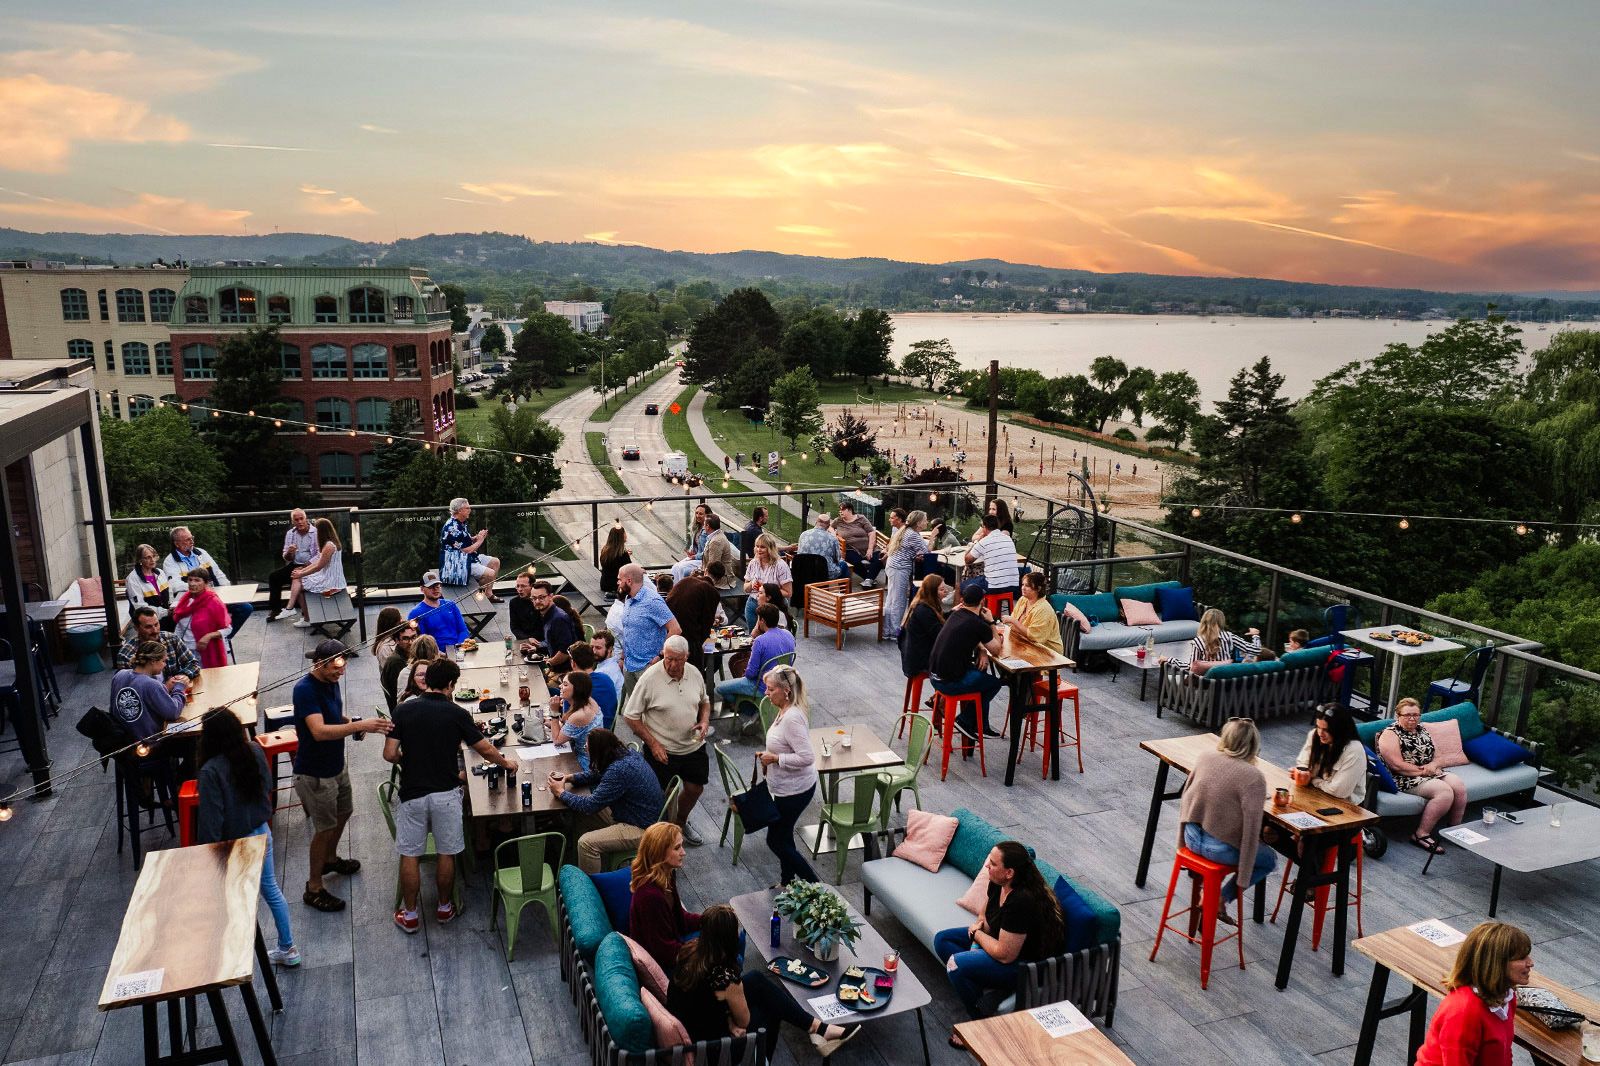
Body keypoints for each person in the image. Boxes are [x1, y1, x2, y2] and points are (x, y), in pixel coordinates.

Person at [384, 658, 516, 932]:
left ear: (426, 680)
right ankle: (444, 908)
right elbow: (485, 750)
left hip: (413, 794)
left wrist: (409, 758)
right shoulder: (457, 714)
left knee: (410, 854)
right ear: (451, 685)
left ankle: (409, 915)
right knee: (446, 852)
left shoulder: (403, 711)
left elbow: (389, 754)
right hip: (446, 793)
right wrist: (508, 764)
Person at [668, 904, 858, 1059]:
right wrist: (730, 1022)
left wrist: (726, 1017)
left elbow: (702, 1002)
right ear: (728, 939)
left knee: (757, 980)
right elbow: (744, 1021)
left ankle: (816, 1028)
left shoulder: (689, 951)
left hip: (697, 1026)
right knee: (772, 1008)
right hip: (713, 1049)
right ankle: (766, 1058)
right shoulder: (725, 978)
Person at [293, 640, 393, 912]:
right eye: (336, 666)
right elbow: (318, 731)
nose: (342, 671)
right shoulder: (305, 690)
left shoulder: (330, 681)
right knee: (323, 828)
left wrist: (350, 722)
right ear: (319, 664)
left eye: (344, 664)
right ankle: (313, 887)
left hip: (336, 765)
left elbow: (333, 716)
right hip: (315, 773)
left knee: (344, 811)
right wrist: (360, 726)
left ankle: (329, 858)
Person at [196, 709, 299, 966]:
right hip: (261, 831)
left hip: (232, 843)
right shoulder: (253, 751)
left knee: (234, 899)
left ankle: (234, 957)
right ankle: (288, 947)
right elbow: (266, 788)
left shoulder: (210, 771)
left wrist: (206, 854)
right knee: (272, 891)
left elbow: (212, 820)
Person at [935, 842, 1065, 1034]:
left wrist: (977, 935)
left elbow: (1005, 954)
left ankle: (980, 1023)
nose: (987, 865)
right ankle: (988, 992)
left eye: (993, 863)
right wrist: (980, 927)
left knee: (956, 964)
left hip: (1023, 964)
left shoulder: (1021, 900)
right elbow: (983, 914)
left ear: (1009, 872)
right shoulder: (998, 883)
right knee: (942, 940)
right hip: (996, 941)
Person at [1178, 718, 1274, 918]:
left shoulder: (1205, 757)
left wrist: (1181, 843)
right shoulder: (1254, 777)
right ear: (1253, 745)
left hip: (1191, 839)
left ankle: (1208, 889)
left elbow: (1186, 796)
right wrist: (1243, 877)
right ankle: (1221, 897)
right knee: (1269, 859)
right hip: (1219, 850)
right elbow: (1251, 829)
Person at [622, 635, 710, 845]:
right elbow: (630, 715)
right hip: (662, 748)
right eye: (667, 658)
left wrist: (704, 721)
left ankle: (680, 822)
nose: (670, 664)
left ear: (686, 657)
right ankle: (661, 835)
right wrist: (653, 744)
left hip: (692, 745)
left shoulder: (695, 673)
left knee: (695, 788)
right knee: (661, 795)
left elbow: (705, 702)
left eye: (677, 660)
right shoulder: (650, 678)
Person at [1414, 921, 1531, 1066]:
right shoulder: (1463, 1012)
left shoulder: (1507, 996)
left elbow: (1504, 1054)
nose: (1530, 963)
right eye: (1522, 958)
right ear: (1496, 963)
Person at [551, 727, 664, 873]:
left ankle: (591, 889)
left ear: (599, 751)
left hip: (641, 827)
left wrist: (560, 792)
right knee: (579, 812)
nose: (586, 749)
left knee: (586, 843)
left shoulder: (618, 771)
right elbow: (598, 774)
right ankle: (586, 860)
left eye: (587, 747)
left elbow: (590, 806)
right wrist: (569, 777)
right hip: (638, 813)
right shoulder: (624, 754)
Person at [755, 664, 821, 885]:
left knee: (775, 840)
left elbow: (807, 757)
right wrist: (770, 755)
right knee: (784, 835)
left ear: (786, 691)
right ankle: (788, 881)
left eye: (771, 689)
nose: (766, 693)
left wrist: (775, 759)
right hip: (784, 787)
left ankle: (814, 884)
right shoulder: (783, 710)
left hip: (795, 791)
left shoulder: (792, 718)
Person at [1378, 697, 1469, 854]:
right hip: (1404, 777)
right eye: (1407, 715)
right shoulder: (1390, 734)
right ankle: (1421, 834)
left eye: (1416, 714)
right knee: (1444, 792)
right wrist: (1424, 770)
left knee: (1459, 786)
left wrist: (1433, 766)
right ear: (1398, 715)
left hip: (1428, 772)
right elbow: (1396, 765)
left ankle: (1455, 830)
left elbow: (1437, 754)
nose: (1412, 718)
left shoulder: (1422, 729)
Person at [928, 581, 1005, 739]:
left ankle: (981, 726)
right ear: (982, 601)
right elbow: (997, 649)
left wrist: (982, 649)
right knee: (993, 683)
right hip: (948, 681)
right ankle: (965, 720)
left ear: (963, 600)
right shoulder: (979, 624)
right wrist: (991, 621)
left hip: (934, 675)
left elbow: (969, 635)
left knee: (980, 673)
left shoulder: (956, 614)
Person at [628, 822, 703, 972]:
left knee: (724, 931)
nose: (684, 852)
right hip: (667, 965)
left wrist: (711, 919)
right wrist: (707, 951)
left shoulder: (666, 876)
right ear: (659, 853)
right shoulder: (650, 897)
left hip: (674, 945)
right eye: (677, 848)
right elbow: (664, 952)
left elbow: (679, 918)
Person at [161, 525, 252, 637]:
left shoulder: (202, 553)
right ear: (177, 544)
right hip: (192, 601)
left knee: (245, 608)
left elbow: (218, 574)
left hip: (213, 597)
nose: (192, 541)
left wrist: (228, 591)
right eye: (187, 539)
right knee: (205, 618)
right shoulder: (170, 561)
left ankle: (223, 638)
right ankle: (211, 639)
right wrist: (200, 588)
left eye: (192, 537)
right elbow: (175, 585)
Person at [718, 603, 797, 729]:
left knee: (720, 688)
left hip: (762, 686)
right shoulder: (788, 635)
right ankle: (758, 711)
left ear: (762, 620)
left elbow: (751, 673)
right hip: (783, 680)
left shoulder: (760, 641)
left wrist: (746, 673)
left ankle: (754, 712)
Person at [615, 563, 682, 704]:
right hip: (629, 665)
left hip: (648, 667)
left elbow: (675, 629)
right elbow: (629, 630)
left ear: (629, 581)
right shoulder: (628, 599)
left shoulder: (652, 601)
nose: (618, 582)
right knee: (637, 709)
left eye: (619, 579)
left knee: (653, 711)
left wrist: (660, 656)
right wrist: (622, 657)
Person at [110, 640, 187, 742]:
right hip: (149, 743)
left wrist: (165, 688)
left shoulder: (119, 675)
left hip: (121, 739)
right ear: (153, 661)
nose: (165, 665)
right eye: (163, 661)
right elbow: (173, 712)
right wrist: (179, 688)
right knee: (189, 742)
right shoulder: (151, 685)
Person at [1294, 704, 1367, 803]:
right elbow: (1303, 764)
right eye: (1318, 727)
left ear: (1339, 730)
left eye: (1326, 730)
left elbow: (1339, 791)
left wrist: (1313, 780)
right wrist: (1302, 773)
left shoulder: (1354, 750)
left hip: (1345, 806)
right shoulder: (1315, 735)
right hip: (1315, 794)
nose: (1320, 733)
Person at [439, 497, 502, 601]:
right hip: (457, 564)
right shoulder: (453, 528)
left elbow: (462, 542)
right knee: (490, 574)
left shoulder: (461, 523)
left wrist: (475, 538)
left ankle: (488, 594)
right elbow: (466, 550)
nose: (470, 510)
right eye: (467, 508)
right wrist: (480, 540)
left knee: (495, 562)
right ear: (459, 510)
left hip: (468, 558)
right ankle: (474, 594)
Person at [116, 606, 200, 683]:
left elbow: (193, 663)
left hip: (176, 691)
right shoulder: (125, 655)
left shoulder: (171, 639)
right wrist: (165, 688)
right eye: (148, 627)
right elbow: (130, 688)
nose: (155, 630)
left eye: (156, 624)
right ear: (136, 628)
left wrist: (184, 676)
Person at [287, 517, 345, 626]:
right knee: (298, 577)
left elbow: (319, 566)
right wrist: (303, 570)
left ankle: (305, 617)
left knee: (298, 584)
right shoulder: (331, 543)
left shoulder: (329, 546)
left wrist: (301, 573)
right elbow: (317, 562)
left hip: (331, 586)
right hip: (331, 579)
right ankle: (292, 609)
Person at [882, 509, 928, 641]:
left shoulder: (905, 531)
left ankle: (887, 630)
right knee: (899, 601)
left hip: (893, 566)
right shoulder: (913, 535)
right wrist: (934, 535)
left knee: (891, 599)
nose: (927, 522)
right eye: (925, 520)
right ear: (919, 522)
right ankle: (896, 632)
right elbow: (926, 552)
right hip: (899, 568)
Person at [1166, 608, 1262, 672]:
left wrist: (1169, 660)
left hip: (1206, 685)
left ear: (1203, 622)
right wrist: (1255, 635)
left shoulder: (1198, 641)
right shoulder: (1230, 637)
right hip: (1226, 681)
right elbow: (1257, 650)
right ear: (1221, 622)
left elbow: (1191, 667)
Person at [667, 566, 722, 672]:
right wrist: (707, 645)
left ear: (706, 572)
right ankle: (703, 680)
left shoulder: (686, 581)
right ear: (720, 580)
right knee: (700, 665)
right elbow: (707, 624)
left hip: (670, 630)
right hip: (689, 636)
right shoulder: (711, 592)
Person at [268, 509, 319, 622]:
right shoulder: (290, 533)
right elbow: (286, 557)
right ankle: (276, 609)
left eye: (302, 519)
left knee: (297, 577)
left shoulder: (315, 532)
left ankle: (300, 611)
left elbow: (320, 554)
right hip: (295, 564)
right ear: (293, 521)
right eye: (297, 520)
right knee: (274, 577)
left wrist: (307, 565)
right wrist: (290, 552)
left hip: (312, 566)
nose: (300, 522)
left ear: (306, 519)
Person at [171, 572, 231, 669]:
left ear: (206, 583)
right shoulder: (184, 600)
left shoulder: (214, 602)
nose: (192, 583)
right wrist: (175, 644)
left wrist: (208, 636)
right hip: (186, 652)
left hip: (208, 651)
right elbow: (180, 626)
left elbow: (228, 629)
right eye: (190, 580)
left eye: (197, 580)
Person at [548, 670, 601, 772]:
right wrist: (553, 723)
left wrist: (554, 712)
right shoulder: (589, 700)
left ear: (577, 689)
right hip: (595, 757)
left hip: (585, 763)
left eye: (565, 684)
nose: (560, 687)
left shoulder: (580, 715)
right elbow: (572, 728)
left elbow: (557, 740)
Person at [408, 570, 470, 650]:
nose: (435, 589)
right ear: (422, 589)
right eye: (431, 587)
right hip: (435, 654)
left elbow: (463, 630)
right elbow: (420, 641)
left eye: (437, 586)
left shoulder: (450, 605)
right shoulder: (416, 613)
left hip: (459, 649)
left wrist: (459, 646)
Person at [741, 533, 792, 631]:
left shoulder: (781, 565)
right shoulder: (753, 563)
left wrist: (766, 589)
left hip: (774, 607)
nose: (759, 549)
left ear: (770, 548)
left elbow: (788, 593)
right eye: (757, 546)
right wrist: (752, 584)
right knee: (754, 638)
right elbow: (745, 588)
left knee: (773, 639)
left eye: (763, 547)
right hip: (753, 604)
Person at [899, 574, 945, 680]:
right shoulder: (924, 611)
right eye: (942, 589)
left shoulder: (921, 604)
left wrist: (953, 612)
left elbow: (937, 621)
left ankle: (941, 695)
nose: (945, 591)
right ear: (933, 592)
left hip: (912, 658)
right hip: (919, 664)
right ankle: (946, 694)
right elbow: (940, 635)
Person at [564, 642, 619, 729]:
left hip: (587, 735)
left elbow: (566, 722)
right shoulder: (606, 678)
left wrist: (554, 714)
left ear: (573, 663)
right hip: (607, 729)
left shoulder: (573, 686)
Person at [1006, 572, 1063, 655]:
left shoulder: (1043, 609)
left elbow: (1034, 636)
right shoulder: (1023, 600)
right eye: (1023, 584)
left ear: (1038, 589)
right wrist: (1014, 623)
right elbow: (1012, 626)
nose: (1023, 588)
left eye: (1027, 586)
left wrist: (1014, 621)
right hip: (1026, 644)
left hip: (1047, 653)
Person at [964, 514, 1019, 600]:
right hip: (1013, 585)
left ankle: (960, 612)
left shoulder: (984, 541)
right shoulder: (1008, 539)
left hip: (994, 586)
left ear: (984, 527)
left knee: (961, 586)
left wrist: (977, 542)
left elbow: (967, 560)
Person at [835, 501, 884, 585]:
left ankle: (868, 580)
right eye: (839, 510)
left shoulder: (861, 518)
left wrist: (870, 549)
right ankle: (869, 579)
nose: (840, 512)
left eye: (842, 509)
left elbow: (871, 533)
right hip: (851, 549)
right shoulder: (839, 520)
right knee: (854, 561)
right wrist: (833, 533)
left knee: (879, 559)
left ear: (850, 510)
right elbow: (829, 526)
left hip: (868, 547)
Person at [123, 543, 173, 624]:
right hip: (147, 621)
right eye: (148, 557)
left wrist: (172, 607)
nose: (152, 560)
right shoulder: (132, 579)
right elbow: (140, 607)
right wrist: (165, 612)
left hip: (166, 616)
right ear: (140, 560)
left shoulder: (160, 573)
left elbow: (170, 593)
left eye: (154, 556)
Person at [379, 621, 419, 712]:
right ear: (396, 640)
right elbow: (407, 693)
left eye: (414, 637)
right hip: (406, 711)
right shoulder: (397, 662)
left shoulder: (409, 656)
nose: (411, 642)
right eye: (405, 639)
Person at [794, 512, 845, 578]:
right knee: (843, 565)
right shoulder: (832, 539)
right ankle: (843, 587)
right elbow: (837, 559)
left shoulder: (803, 534)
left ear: (816, 522)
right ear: (828, 525)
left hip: (804, 571)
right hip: (824, 573)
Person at [700, 515, 738, 590]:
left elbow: (713, 566)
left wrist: (702, 578)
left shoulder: (716, 541)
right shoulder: (715, 536)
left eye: (704, 524)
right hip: (712, 574)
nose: (703, 526)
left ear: (707, 526)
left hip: (721, 580)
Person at [591, 629, 626, 701]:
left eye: (598, 648)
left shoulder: (604, 672)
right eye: (592, 647)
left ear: (610, 649)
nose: (593, 651)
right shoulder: (610, 664)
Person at [599, 525, 631, 600]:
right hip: (616, 586)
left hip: (604, 584)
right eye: (625, 533)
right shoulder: (623, 554)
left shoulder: (605, 550)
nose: (626, 535)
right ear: (621, 536)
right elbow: (629, 570)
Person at [508, 571, 539, 648]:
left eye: (523, 586)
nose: (519, 589)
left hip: (540, 640)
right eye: (517, 586)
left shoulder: (539, 602)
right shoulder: (514, 602)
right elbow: (514, 627)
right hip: (523, 640)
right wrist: (527, 638)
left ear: (532, 586)